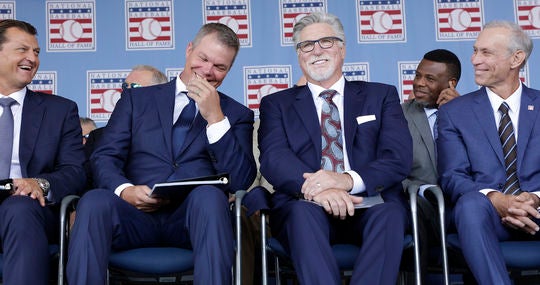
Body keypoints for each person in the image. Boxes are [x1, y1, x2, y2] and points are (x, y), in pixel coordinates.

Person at [67, 23, 256, 284]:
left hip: (192, 221)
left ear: (229, 70)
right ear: (189, 50)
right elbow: (104, 156)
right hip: (132, 216)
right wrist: (125, 190)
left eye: (220, 67)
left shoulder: (236, 115)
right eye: (203, 58)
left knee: (211, 199)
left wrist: (215, 117)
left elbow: (241, 179)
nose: (208, 71)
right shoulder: (137, 100)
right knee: (94, 201)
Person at [258, 12, 412, 285]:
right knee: (301, 213)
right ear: (298, 55)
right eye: (307, 45)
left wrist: (345, 181)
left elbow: (397, 158)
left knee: (390, 213)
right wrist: (322, 189)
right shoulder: (276, 104)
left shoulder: (381, 95)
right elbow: (274, 158)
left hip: (370, 202)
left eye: (326, 42)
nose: (317, 50)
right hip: (305, 204)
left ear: (342, 48)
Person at [438, 21, 539, 285]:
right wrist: (497, 199)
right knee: (470, 204)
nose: (474, 60)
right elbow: (452, 176)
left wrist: (533, 199)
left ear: (516, 58)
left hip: (537, 209)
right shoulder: (454, 112)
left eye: (486, 52)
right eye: (475, 51)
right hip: (487, 216)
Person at [0, 19, 85, 284]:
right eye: (22, 50)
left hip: (29, 210)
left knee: (20, 207)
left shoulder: (60, 111)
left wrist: (39, 183)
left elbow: (75, 171)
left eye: (36, 52)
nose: (32, 58)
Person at [401, 49, 461, 281]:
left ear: (450, 83)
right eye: (417, 76)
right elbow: (391, 168)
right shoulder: (398, 114)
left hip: (460, 203)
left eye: (429, 78)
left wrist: (457, 114)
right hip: (419, 203)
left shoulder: (471, 113)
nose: (419, 83)